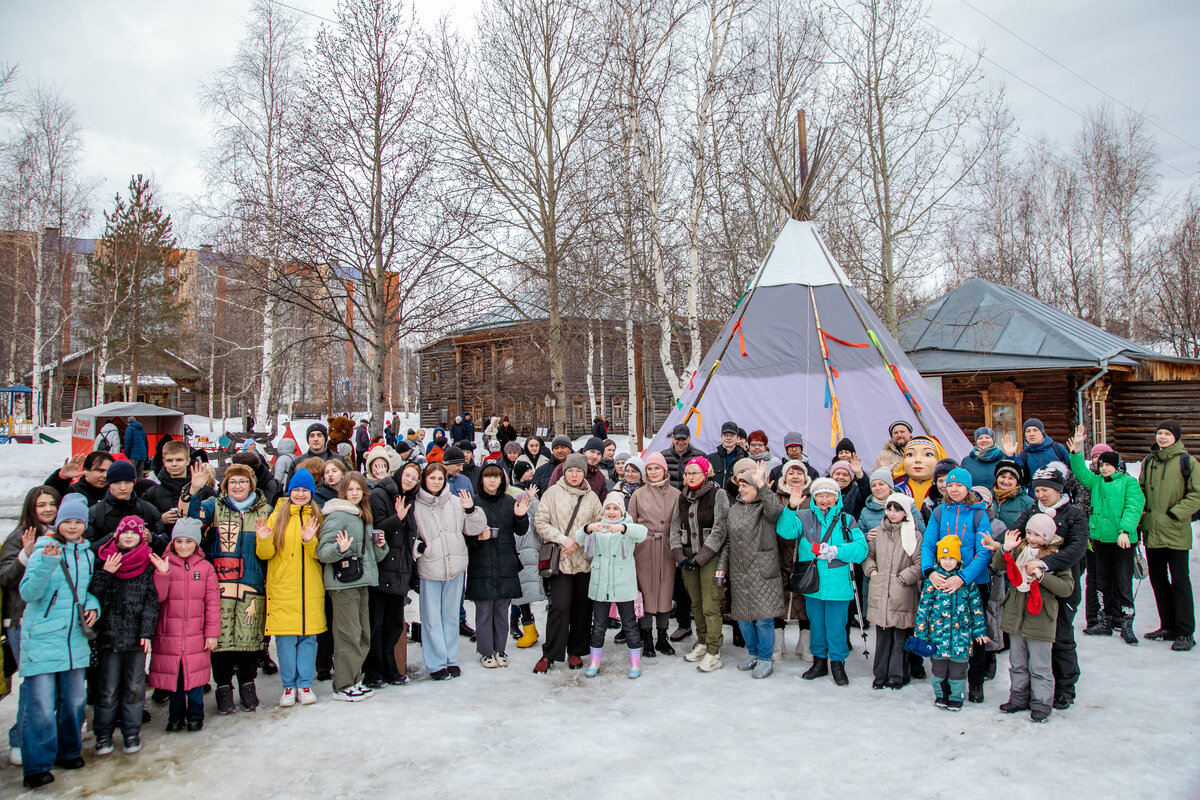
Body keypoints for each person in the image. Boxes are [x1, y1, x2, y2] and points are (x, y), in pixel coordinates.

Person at [16, 494, 99, 789]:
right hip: (43, 638)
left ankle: (69, 751)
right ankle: (37, 765)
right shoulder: (44, 549)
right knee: (39, 704)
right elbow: (29, 594)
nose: (73, 527)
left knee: (75, 700)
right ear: (59, 523)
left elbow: (85, 590)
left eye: (78, 522)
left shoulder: (87, 555)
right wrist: (46, 564)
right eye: (68, 521)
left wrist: (93, 606)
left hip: (74, 638)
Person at [184, 461, 271, 714]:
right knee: (219, 639)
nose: (237, 485)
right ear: (225, 485)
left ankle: (247, 684)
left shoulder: (265, 509)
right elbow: (190, 522)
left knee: (249, 638)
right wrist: (194, 492)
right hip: (219, 585)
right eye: (232, 481)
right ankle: (223, 686)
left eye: (243, 481)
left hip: (251, 584)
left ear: (251, 484)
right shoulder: (214, 506)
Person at [1007, 465, 1088, 709]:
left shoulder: (1074, 514)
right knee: (1031, 640)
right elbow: (1016, 533)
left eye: (1044, 490)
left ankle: (1064, 688)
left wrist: (1044, 563)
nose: (1040, 495)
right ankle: (1031, 692)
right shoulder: (1033, 510)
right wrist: (1003, 545)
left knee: (1061, 638)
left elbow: (1077, 548)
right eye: (1037, 490)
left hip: (1060, 584)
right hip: (1029, 588)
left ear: (1057, 490)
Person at [777, 476, 868, 686]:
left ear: (836, 498)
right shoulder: (804, 516)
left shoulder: (847, 520)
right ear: (814, 498)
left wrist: (837, 551)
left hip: (839, 584)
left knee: (836, 627)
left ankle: (837, 663)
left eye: (829, 495)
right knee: (816, 625)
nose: (825, 499)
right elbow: (785, 531)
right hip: (813, 584)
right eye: (820, 495)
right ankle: (819, 662)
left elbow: (861, 550)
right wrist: (792, 506)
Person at [1064, 426, 1144, 644]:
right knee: (1102, 582)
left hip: (1122, 541)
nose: (1105, 468)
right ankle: (1104, 620)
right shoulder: (1096, 481)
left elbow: (1134, 507)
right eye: (1101, 465)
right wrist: (1077, 450)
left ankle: (1127, 622)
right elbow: (1080, 471)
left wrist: (1126, 531)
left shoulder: (1129, 482)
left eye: (1108, 464)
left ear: (1117, 466)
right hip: (1099, 539)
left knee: (1123, 583)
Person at [991, 515, 1074, 723]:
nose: (1032, 538)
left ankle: (1041, 702)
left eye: (1037, 534)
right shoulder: (1020, 549)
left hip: (1040, 618)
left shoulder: (1056, 557)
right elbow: (999, 565)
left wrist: (1042, 575)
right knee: (1017, 662)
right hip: (1016, 614)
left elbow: (1066, 588)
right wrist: (1006, 549)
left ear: (1047, 536)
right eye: (1029, 533)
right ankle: (1018, 697)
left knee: (1039, 665)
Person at [921, 468, 993, 702]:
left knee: (974, 634)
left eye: (959, 486)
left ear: (968, 488)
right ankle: (945, 684)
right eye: (950, 486)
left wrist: (963, 578)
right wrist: (930, 571)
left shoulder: (978, 514)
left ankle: (976, 682)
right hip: (941, 580)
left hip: (972, 582)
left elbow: (984, 552)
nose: (953, 489)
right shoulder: (940, 512)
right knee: (943, 631)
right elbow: (928, 545)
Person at [89, 515, 159, 754]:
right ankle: (103, 735)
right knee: (107, 688)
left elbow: (151, 602)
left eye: (134, 533)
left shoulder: (147, 563)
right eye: (125, 532)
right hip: (109, 636)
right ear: (117, 535)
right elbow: (94, 597)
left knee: (134, 687)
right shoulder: (105, 560)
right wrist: (106, 573)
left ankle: (131, 733)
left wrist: (147, 633)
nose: (129, 536)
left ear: (141, 536)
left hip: (137, 638)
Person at [0, 485, 59, 764]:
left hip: (47, 620)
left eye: (52, 504)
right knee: (33, 685)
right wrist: (25, 554)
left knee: (44, 684)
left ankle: (37, 737)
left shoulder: (58, 533)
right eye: (41, 505)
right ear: (31, 508)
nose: (48, 509)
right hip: (21, 621)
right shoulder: (22, 534)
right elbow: (5, 578)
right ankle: (19, 741)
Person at [256, 470, 325, 707]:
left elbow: (320, 555)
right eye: (296, 490)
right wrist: (264, 538)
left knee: (308, 638)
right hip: (284, 587)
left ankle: (304, 683)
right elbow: (266, 554)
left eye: (305, 490)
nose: (300, 494)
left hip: (310, 587)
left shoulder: (317, 516)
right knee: (285, 640)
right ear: (290, 491)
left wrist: (309, 540)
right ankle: (288, 686)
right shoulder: (277, 517)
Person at [412, 463, 486, 679]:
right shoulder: (416, 505)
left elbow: (474, 528)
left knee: (451, 616)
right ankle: (436, 663)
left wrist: (471, 510)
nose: (436, 482)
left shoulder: (455, 502)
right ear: (425, 480)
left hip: (455, 565)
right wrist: (418, 548)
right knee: (431, 617)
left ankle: (451, 658)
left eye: (439, 478)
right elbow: (409, 535)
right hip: (430, 566)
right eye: (432, 478)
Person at [317, 471, 387, 701]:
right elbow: (322, 552)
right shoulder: (338, 515)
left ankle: (355, 679)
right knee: (348, 635)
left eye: (359, 489)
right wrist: (340, 550)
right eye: (351, 490)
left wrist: (380, 545)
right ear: (343, 491)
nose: (355, 493)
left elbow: (372, 557)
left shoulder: (361, 515)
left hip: (362, 581)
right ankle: (343, 684)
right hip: (343, 584)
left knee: (363, 633)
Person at [533, 453, 603, 673]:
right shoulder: (553, 493)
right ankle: (550, 652)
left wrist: (580, 539)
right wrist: (563, 539)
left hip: (584, 560)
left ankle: (576, 650)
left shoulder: (591, 497)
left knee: (583, 608)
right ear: (564, 472)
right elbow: (540, 521)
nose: (574, 475)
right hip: (560, 559)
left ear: (584, 473)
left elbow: (599, 523)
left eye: (579, 471)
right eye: (571, 471)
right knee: (560, 606)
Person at [148, 518, 219, 732]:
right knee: (175, 680)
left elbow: (212, 603)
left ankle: (196, 715)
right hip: (170, 634)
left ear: (196, 544)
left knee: (195, 680)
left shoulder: (205, 568)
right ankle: (175, 716)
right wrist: (162, 574)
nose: (183, 546)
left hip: (196, 634)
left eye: (188, 542)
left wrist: (212, 633)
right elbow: (158, 598)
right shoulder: (164, 564)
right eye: (179, 541)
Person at [1136, 419, 1200, 652]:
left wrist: (1174, 514)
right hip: (1152, 529)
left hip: (1175, 530)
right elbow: (1140, 491)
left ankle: (1185, 632)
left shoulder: (1188, 462)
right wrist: (1140, 516)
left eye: (1166, 433)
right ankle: (1168, 626)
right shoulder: (1149, 461)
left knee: (1180, 581)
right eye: (1159, 433)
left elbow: (1197, 494)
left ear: (1176, 437)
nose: (1162, 437)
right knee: (1158, 580)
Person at [723, 460, 784, 678]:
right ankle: (753, 653)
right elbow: (727, 542)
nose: (740, 489)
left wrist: (762, 485)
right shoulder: (735, 509)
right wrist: (722, 568)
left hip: (762, 569)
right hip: (739, 571)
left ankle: (766, 658)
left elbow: (776, 511)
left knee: (764, 618)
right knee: (743, 617)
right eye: (739, 486)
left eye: (745, 485)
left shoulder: (765, 508)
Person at [578, 493, 648, 678]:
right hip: (600, 584)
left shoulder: (628, 527)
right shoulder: (598, 526)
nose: (611, 512)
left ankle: (635, 664)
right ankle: (594, 662)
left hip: (623, 584)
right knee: (599, 625)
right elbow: (578, 538)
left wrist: (622, 528)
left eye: (615, 508)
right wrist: (587, 528)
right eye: (608, 508)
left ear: (621, 510)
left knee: (630, 624)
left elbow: (642, 533)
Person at [915, 534, 988, 711]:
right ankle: (941, 695)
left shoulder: (966, 581)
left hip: (961, 638)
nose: (948, 562)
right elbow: (924, 608)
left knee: (958, 671)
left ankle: (956, 697)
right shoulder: (932, 581)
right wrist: (920, 634)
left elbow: (976, 608)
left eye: (951, 558)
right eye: (944, 558)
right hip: (937, 636)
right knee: (938, 669)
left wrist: (979, 632)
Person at [670, 453, 730, 667]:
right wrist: (679, 555)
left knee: (710, 604)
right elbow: (675, 527)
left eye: (695, 473)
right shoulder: (682, 496)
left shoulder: (717, 494)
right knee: (695, 603)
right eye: (687, 473)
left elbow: (720, 529)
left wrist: (701, 557)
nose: (690, 477)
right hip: (687, 559)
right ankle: (702, 641)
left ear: (706, 473)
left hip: (709, 558)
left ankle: (714, 648)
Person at [363, 460, 419, 687]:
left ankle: (390, 668)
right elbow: (375, 529)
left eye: (415, 478)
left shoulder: (409, 501)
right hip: (381, 568)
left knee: (395, 624)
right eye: (407, 475)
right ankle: (373, 671)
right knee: (376, 624)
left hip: (400, 569)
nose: (410, 480)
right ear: (399, 473)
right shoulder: (379, 495)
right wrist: (397, 518)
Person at [469, 463, 530, 669]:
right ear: (482, 479)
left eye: (496, 477)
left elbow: (521, 531)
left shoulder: (509, 501)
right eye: (488, 477)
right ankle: (486, 651)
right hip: (482, 562)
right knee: (484, 609)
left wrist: (521, 516)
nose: (492, 480)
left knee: (502, 609)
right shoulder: (474, 503)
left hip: (505, 561)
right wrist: (478, 537)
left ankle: (500, 649)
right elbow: (465, 535)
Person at [863, 494, 923, 689]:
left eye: (897, 510)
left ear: (905, 512)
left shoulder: (914, 535)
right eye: (890, 509)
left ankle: (897, 675)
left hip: (902, 592)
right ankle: (880, 674)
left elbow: (920, 564)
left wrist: (903, 578)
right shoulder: (877, 533)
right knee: (882, 636)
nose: (892, 513)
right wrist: (871, 570)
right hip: (880, 590)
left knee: (900, 637)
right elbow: (868, 555)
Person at [628, 453, 682, 657]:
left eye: (656, 468)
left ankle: (662, 636)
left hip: (667, 547)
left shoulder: (676, 494)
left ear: (664, 470)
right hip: (645, 548)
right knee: (646, 593)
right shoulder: (638, 495)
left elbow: (678, 524)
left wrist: (677, 551)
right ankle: (647, 638)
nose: (653, 472)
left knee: (665, 593)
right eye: (649, 469)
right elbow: (631, 524)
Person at [774, 461, 813, 660]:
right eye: (791, 473)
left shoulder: (812, 498)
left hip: (804, 558)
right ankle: (777, 644)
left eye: (799, 472)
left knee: (804, 601)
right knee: (779, 598)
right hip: (779, 555)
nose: (795, 476)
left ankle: (804, 645)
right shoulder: (777, 496)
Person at [87, 459, 166, 549]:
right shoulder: (95, 513)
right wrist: (112, 538)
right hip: (107, 562)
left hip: (143, 562)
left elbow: (166, 546)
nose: (123, 487)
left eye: (127, 482)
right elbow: (87, 550)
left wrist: (152, 538)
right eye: (117, 483)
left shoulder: (148, 509)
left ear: (133, 483)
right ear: (108, 484)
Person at [508, 462, 543, 648]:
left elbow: (540, 518)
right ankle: (528, 629)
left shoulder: (529, 500)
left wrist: (533, 500)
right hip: (517, 552)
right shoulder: (506, 503)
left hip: (530, 550)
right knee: (521, 595)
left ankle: (530, 629)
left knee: (529, 593)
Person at [1002, 419, 1070, 496]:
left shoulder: (1057, 449)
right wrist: (1010, 456)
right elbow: (1014, 477)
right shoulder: (1023, 456)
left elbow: (1072, 471)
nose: (1031, 434)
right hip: (1036, 499)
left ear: (1042, 432)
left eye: (1035, 430)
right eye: (1028, 431)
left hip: (1059, 498)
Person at [44, 451, 113, 506]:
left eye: (109, 471)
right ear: (86, 470)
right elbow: (46, 495)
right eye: (100, 470)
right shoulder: (72, 492)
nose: (105, 475)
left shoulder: (113, 493)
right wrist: (61, 478)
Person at [660, 424, 704, 491]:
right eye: (677, 439)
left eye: (683, 439)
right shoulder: (662, 457)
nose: (680, 442)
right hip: (668, 497)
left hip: (691, 497)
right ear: (672, 437)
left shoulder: (700, 457)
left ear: (689, 438)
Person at [993, 459, 1034, 528]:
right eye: (1003, 477)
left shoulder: (1027, 502)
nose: (1006, 481)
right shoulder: (987, 499)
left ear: (1017, 481)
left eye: (1011, 478)